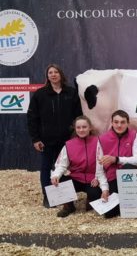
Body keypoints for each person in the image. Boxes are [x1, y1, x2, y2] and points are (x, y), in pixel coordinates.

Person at [27, 64, 82, 208]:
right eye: (50, 72)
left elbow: (78, 116)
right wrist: (36, 138)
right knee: (46, 168)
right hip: (47, 140)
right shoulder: (40, 94)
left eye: (55, 72)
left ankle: (66, 198)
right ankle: (48, 197)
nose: (53, 75)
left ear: (61, 74)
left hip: (67, 140)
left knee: (66, 168)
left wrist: (76, 137)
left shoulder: (71, 93)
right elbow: (32, 118)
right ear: (47, 76)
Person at [96, 110, 137, 218]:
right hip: (112, 176)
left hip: (129, 177)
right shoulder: (102, 139)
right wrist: (105, 188)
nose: (119, 125)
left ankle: (129, 202)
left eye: (123, 122)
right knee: (109, 214)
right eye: (116, 122)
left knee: (127, 167)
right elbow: (99, 168)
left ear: (128, 123)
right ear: (111, 123)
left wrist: (116, 159)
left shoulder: (134, 135)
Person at [51, 116, 101, 217]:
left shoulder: (99, 142)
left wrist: (98, 178)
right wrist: (55, 176)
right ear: (75, 128)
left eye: (84, 127)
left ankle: (91, 201)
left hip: (93, 179)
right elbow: (61, 165)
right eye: (78, 127)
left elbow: (103, 164)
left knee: (94, 197)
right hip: (76, 178)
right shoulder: (69, 145)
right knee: (61, 178)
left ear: (90, 128)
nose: (81, 130)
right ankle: (68, 206)